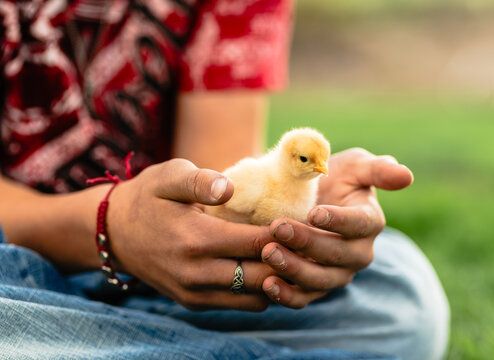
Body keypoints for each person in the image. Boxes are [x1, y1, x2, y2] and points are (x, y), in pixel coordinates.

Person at [0, 1, 449, 359]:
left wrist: (313, 235)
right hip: (15, 257)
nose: (319, 169)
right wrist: (111, 225)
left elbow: (218, 192)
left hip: (163, 278)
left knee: (403, 298)